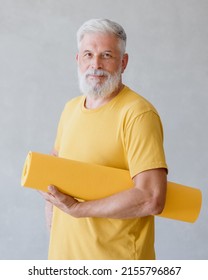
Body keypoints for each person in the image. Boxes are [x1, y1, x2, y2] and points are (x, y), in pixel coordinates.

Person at [41, 18, 168, 260]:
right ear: (78, 60)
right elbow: (55, 174)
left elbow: (151, 198)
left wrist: (78, 210)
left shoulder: (138, 114)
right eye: (88, 54)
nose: (95, 64)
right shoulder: (70, 109)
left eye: (106, 55)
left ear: (123, 62)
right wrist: (56, 233)